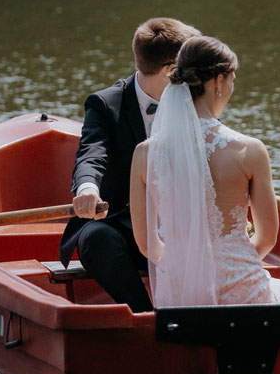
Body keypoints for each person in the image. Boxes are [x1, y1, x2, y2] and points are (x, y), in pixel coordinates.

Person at [128, 36, 280, 307]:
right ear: (218, 81)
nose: (231, 87)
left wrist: (190, 270)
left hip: (180, 296)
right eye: (232, 79)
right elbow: (267, 239)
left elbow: (148, 245)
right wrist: (229, 263)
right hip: (244, 291)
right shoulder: (250, 150)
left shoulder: (144, 154)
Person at [59, 17, 201, 312]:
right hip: (122, 227)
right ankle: (148, 318)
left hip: (179, 228)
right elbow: (91, 153)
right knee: (96, 238)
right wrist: (87, 189)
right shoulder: (105, 104)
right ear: (171, 71)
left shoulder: (196, 101)